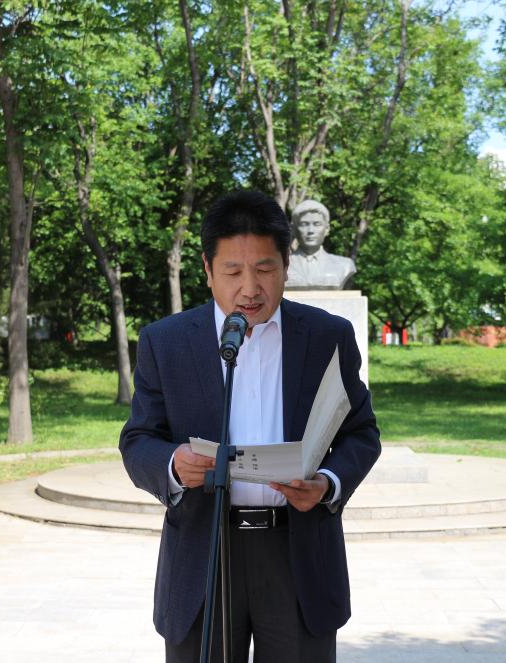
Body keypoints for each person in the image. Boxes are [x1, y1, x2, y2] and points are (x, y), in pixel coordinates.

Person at [119, 189, 380, 662]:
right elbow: (138, 440)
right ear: (207, 270)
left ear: (286, 265)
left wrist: (328, 482)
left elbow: (361, 432)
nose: (250, 288)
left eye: (264, 269)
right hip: (204, 554)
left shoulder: (327, 336)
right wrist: (174, 464)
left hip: (298, 553)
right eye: (233, 272)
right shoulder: (166, 342)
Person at [285, 199, 357, 289]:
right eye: (304, 224)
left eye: (317, 224)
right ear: (293, 229)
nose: (311, 231)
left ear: (326, 229)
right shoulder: (281, 265)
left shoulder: (344, 265)